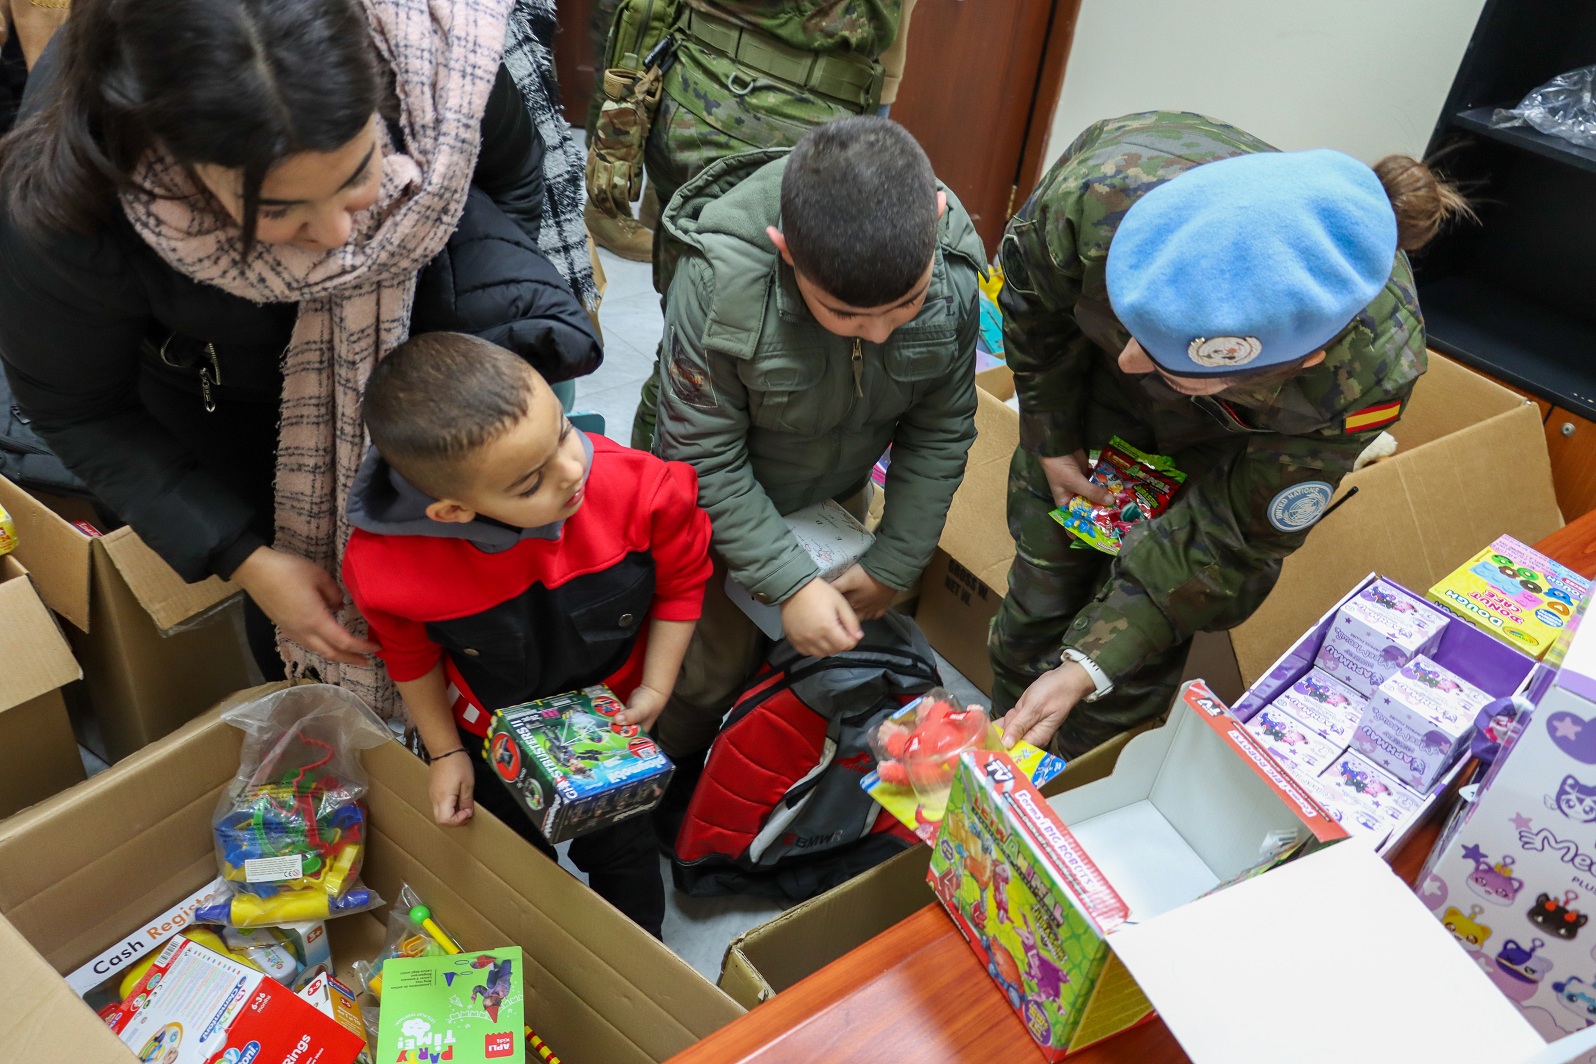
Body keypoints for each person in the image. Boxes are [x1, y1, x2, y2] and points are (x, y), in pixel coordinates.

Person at [0, 0, 600, 709]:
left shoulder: (437, 60)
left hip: (416, 329)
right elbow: (79, 409)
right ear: (173, 162)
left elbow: (509, 177)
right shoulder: (73, 194)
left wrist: (457, 342)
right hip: (228, 395)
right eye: (279, 212)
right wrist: (248, 559)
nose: (339, 235)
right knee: (316, 605)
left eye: (358, 175)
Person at [990, 111, 1472, 758]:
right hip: (1086, 378)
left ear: (1296, 363)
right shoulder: (1092, 203)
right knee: (1041, 580)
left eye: (1161, 362)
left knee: (1127, 665)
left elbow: (1234, 534)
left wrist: (1091, 665)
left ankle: (1079, 777)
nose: (1132, 360)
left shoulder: (1363, 376)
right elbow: (1031, 309)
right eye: (1135, 337)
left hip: (1233, 445)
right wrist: (1050, 431)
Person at [651, 117, 982, 807]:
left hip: (831, 499)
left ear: (938, 218)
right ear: (785, 251)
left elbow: (940, 428)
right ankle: (669, 797)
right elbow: (702, 457)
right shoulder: (717, 284)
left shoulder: (950, 272)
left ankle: (759, 784)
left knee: (808, 659)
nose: (883, 330)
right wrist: (790, 583)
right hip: (709, 514)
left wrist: (895, 562)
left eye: (906, 304)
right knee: (703, 675)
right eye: (847, 314)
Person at [343, 332, 712, 936]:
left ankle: (637, 959)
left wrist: (655, 691)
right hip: (488, 732)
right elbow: (409, 655)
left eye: (565, 432)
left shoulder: (644, 491)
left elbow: (683, 585)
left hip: (609, 726)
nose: (573, 472)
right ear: (453, 511)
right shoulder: (389, 569)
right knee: (515, 869)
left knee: (624, 858)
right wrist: (444, 752)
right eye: (528, 483)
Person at [624, 0, 919, 448]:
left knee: (686, 345)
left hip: (696, 89)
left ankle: (650, 495)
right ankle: (687, 493)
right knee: (768, 354)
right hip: (807, 124)